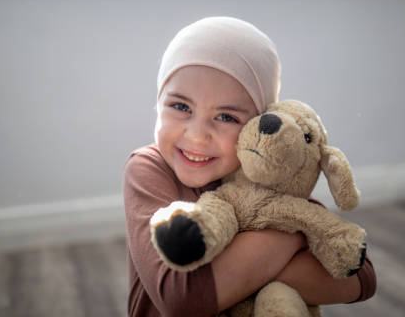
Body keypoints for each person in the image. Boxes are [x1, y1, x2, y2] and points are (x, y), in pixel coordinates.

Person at [123, 17, 376, 316]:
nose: (197, 135)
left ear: (257, 123)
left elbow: (360, 279)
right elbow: (181, 299)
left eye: (226, 117)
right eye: (180, 107)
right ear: (158, 103)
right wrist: (292, 233)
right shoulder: (147, 169)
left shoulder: (268, 177)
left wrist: (235, 278)